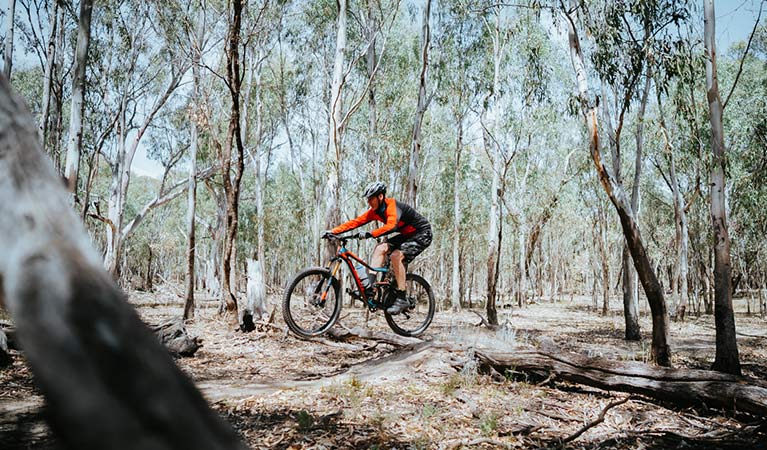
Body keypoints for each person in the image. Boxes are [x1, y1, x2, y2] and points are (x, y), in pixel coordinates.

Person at [323, 181, 432, 315]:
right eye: (368, 199)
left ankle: (402, 297)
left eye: (371, 199)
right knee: (380, 248)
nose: (369, 202)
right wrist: (333, 231)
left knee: (396, 255)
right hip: (406, 235)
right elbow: (355, 222)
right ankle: (370, 287)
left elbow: (392, 226)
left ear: (380, 197)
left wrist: (371, 234)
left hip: (422, 233)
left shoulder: (392, 206)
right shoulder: (374, 212)